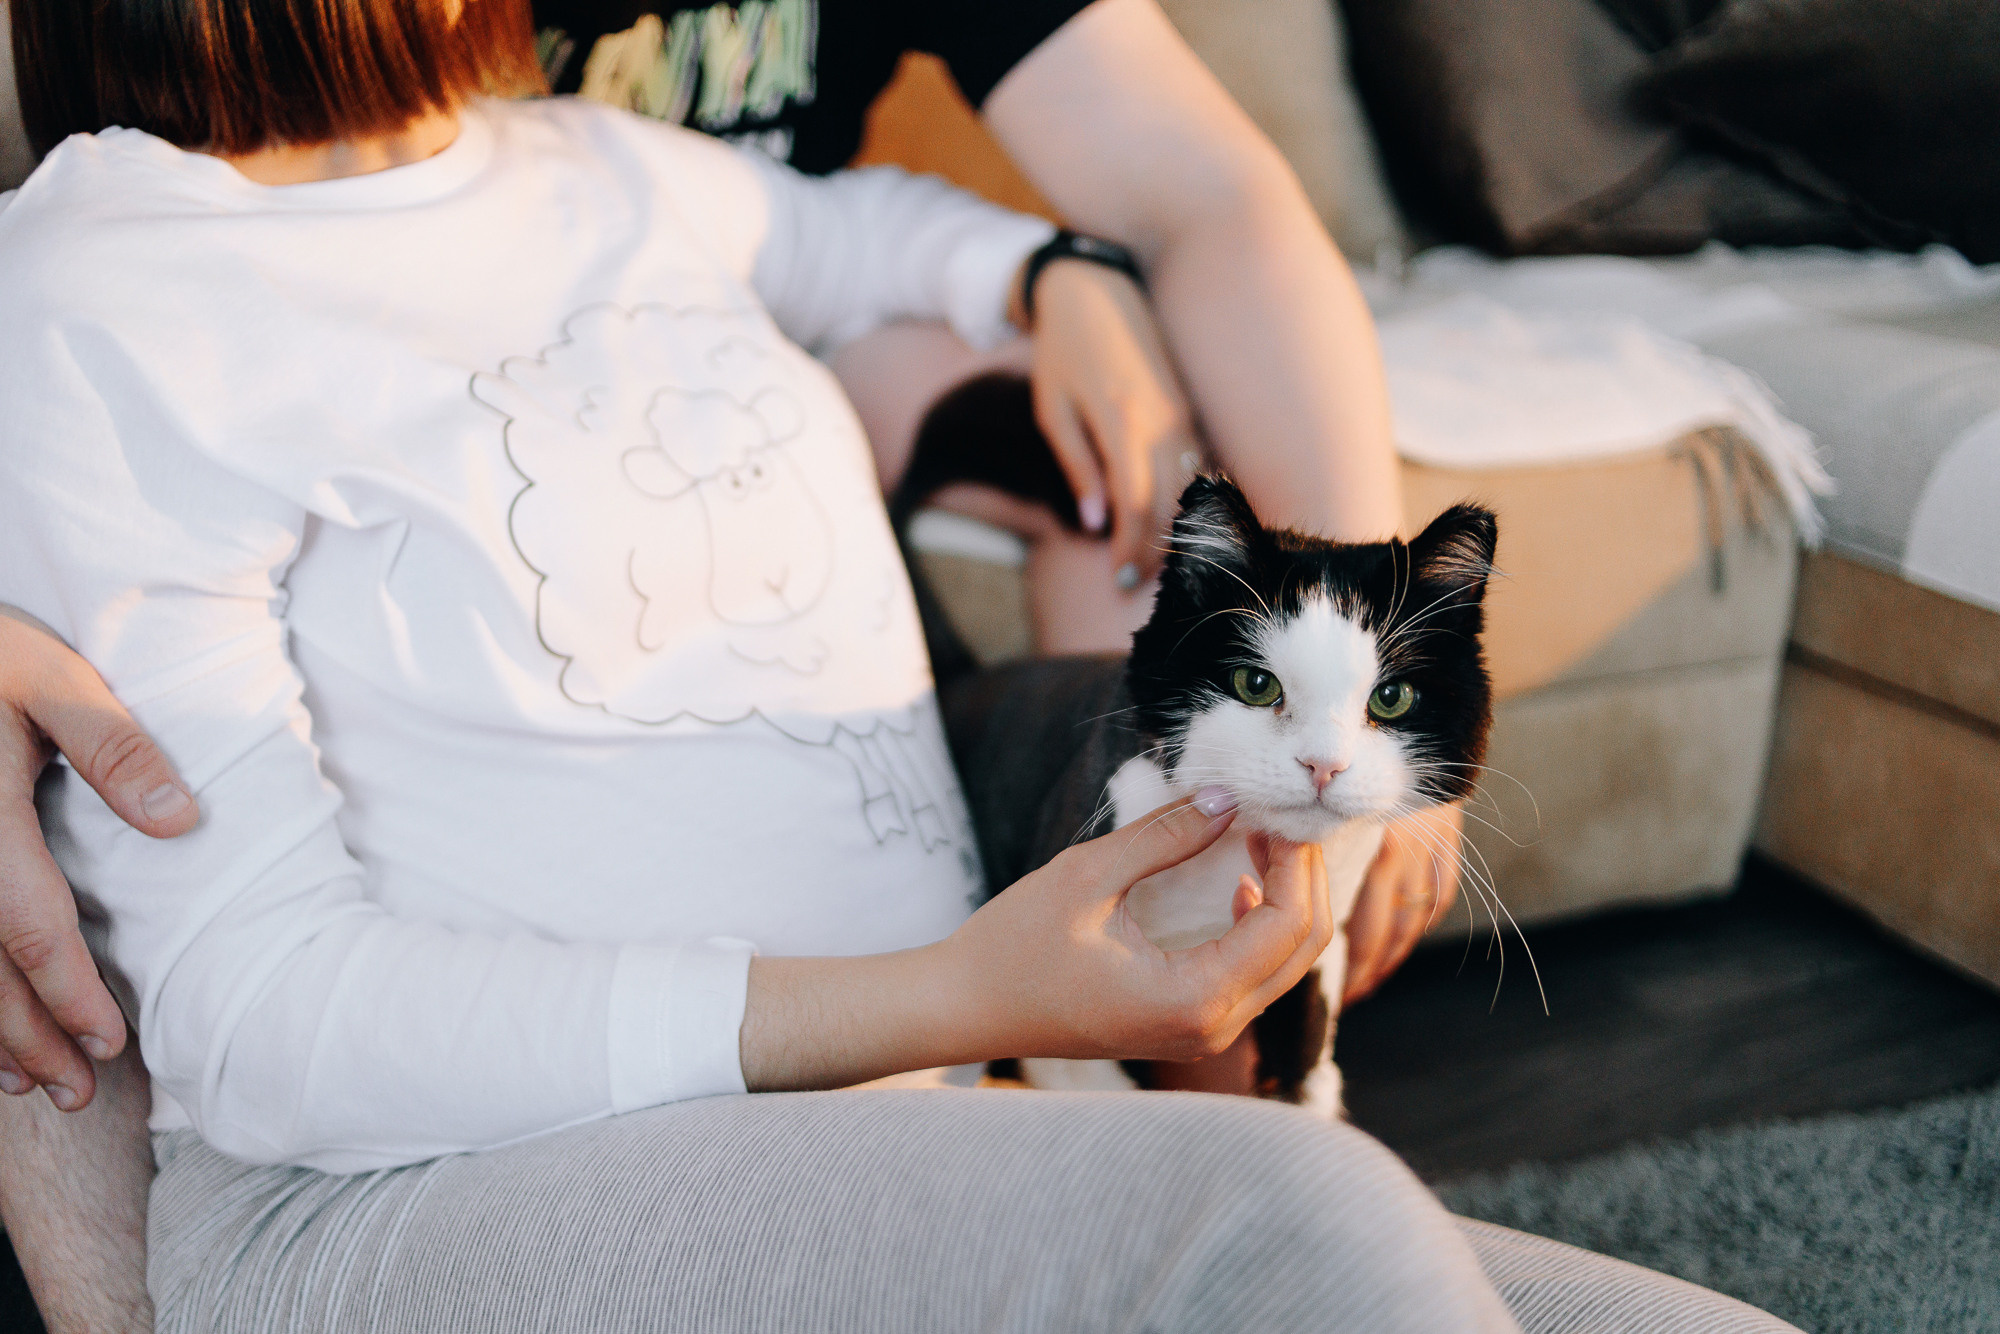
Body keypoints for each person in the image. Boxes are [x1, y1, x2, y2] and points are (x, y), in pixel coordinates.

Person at [0, 4, 1817, 1334]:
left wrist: (1052, 272)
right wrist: (962, 994)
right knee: (1304, 1232)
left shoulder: (596, 169)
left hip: (886, 1127)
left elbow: (874, 229)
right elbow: (269, 1034)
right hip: (407, 1203)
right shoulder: (105, 293)